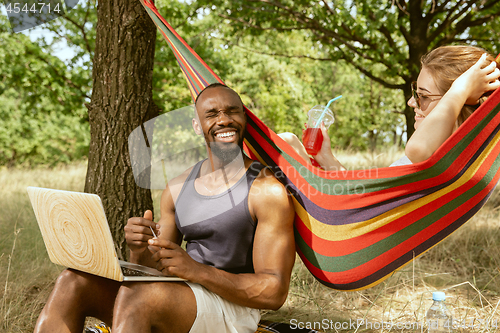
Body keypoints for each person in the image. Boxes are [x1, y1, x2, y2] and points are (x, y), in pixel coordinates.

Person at [34, 83, 296, 333]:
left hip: (235, 309)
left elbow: (274, 291)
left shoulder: (266, 190)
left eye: (232, 111)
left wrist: (197, 271)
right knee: (73, 281)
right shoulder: (178, 187)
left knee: (141, 297)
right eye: (212, 113)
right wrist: (140, 247)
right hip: (183, 294)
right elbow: (153, 269)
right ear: (197, 125)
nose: (224, 119)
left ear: (244, 118)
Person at [280, 45, 500, 169]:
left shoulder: (435, 155)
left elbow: (418, 150)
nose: (411, 102)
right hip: (345, 220)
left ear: (456, 100)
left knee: (283, 144)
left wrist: (460, 89)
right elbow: (358, 202)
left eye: (422, 96)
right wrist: (326, 157)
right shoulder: (444, 156)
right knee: (287, 142)